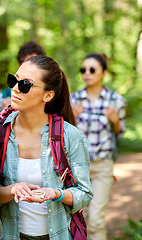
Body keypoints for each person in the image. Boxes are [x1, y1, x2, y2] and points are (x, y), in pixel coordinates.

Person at [0, 55, 93, 240]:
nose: (14, 89)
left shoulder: (71, 137)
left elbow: (85, 193)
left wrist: (56, 193)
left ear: (48, 95)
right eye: (13, 80)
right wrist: (12, 190)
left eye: (25, 85)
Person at [70, 53, 126, 240]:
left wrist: (116, 121)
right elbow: (66, 133)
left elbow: (119, 132)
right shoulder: (73, 99)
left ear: (104, 73)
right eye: (83, 70)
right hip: (78, 166)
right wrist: (73, 117)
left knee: (96, 219)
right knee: (81, 218)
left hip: (103, 165)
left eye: (92, 70)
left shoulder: (116, 100)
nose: (87, 73)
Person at [0, 41, 46, 122]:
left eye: (33, 63)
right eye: (23, 62)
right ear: (18, 64)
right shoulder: (3, 96)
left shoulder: (49, 97)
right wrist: (4, 115)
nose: (15, 89)